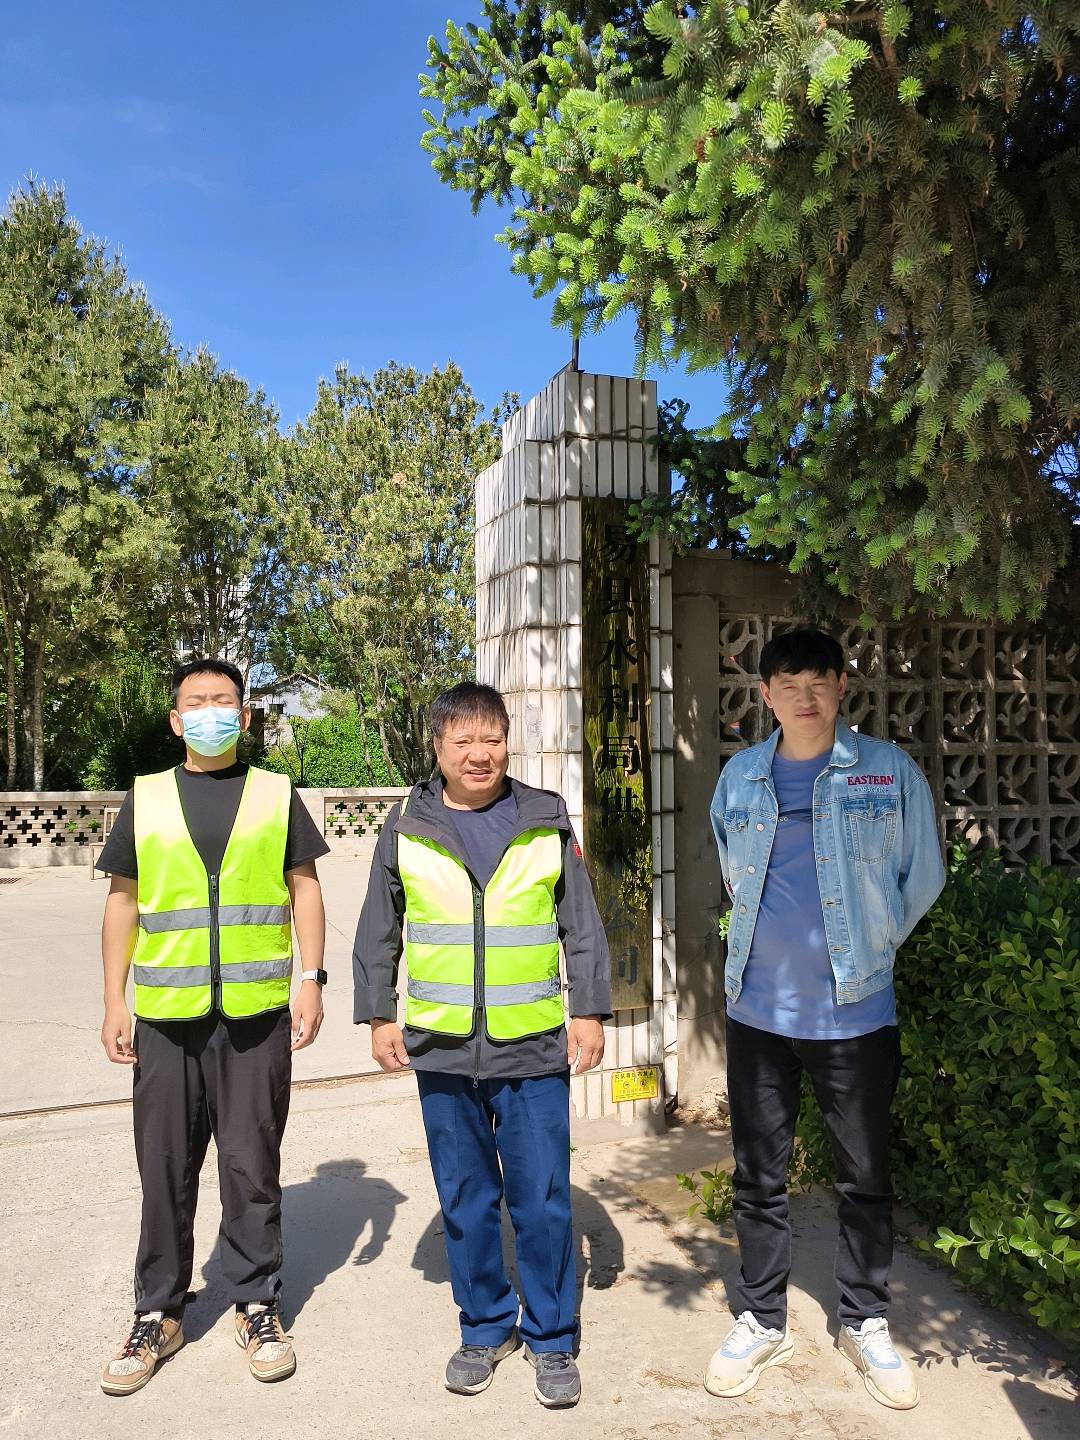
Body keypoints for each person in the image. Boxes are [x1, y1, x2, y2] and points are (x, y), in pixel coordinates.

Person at [353, 681, 611, 1409]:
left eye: (491, 738)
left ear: (507, 742)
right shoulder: (407, 823)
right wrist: (378, 1015)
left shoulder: (544, 817)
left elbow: (581, 924)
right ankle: (485, 1327)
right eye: (462, 740)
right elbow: (379, 926)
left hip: (530, 1045)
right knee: (465, 1199)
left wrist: (590, 1010)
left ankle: (552, 1338)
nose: (478, 753)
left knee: (544, 1199)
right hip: (442, 1047)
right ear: (437, 747)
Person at [705, 628, 945, 1411]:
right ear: (765, 695)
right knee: (758, 1174)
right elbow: (732, 868)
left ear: (842, 686)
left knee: (864, 1176)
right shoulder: (740, 777)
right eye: (788, 683)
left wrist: (869, 948)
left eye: (818, 681)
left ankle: (865, 1320)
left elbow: (922, 875)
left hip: (856, 1013)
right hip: (757, 1013)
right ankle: (762, 1318)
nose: (804, 696)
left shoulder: (887, 771)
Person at [96, 657, 330, 1395]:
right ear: (176, 720)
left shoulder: (275, 794)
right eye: (195, 702)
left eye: (223, 701)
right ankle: (157, 1312)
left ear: (245, 715)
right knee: (164, 1166)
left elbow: (304, 888)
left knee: (251, 1164)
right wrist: (113, 1001)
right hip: (167, 1018)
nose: (210, 712)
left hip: (256, 1017)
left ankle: (256, 1303)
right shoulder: (145, 798)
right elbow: (123, 901)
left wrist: (311, 979)